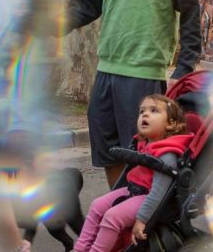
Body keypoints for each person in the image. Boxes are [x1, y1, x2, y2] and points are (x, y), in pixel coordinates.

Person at [65, 0, 201, 188]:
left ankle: (139, 217)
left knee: (140, 153)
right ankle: (121, 205)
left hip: (144, 72)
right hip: (105, 69)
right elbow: (85, 5)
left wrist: (184, 66)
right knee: (108, 151)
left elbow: (191, 11)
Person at [74, 94, 193, 252]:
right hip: (132, 190)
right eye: (142, 111)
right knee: (97, 205)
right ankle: (79, 249)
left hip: (147, 197)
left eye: (154, 110)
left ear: (170, 124)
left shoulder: (167, 154)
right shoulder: (142, 143)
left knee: (112, 217)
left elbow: (158, 193)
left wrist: (142, 220)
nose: (145, 114)